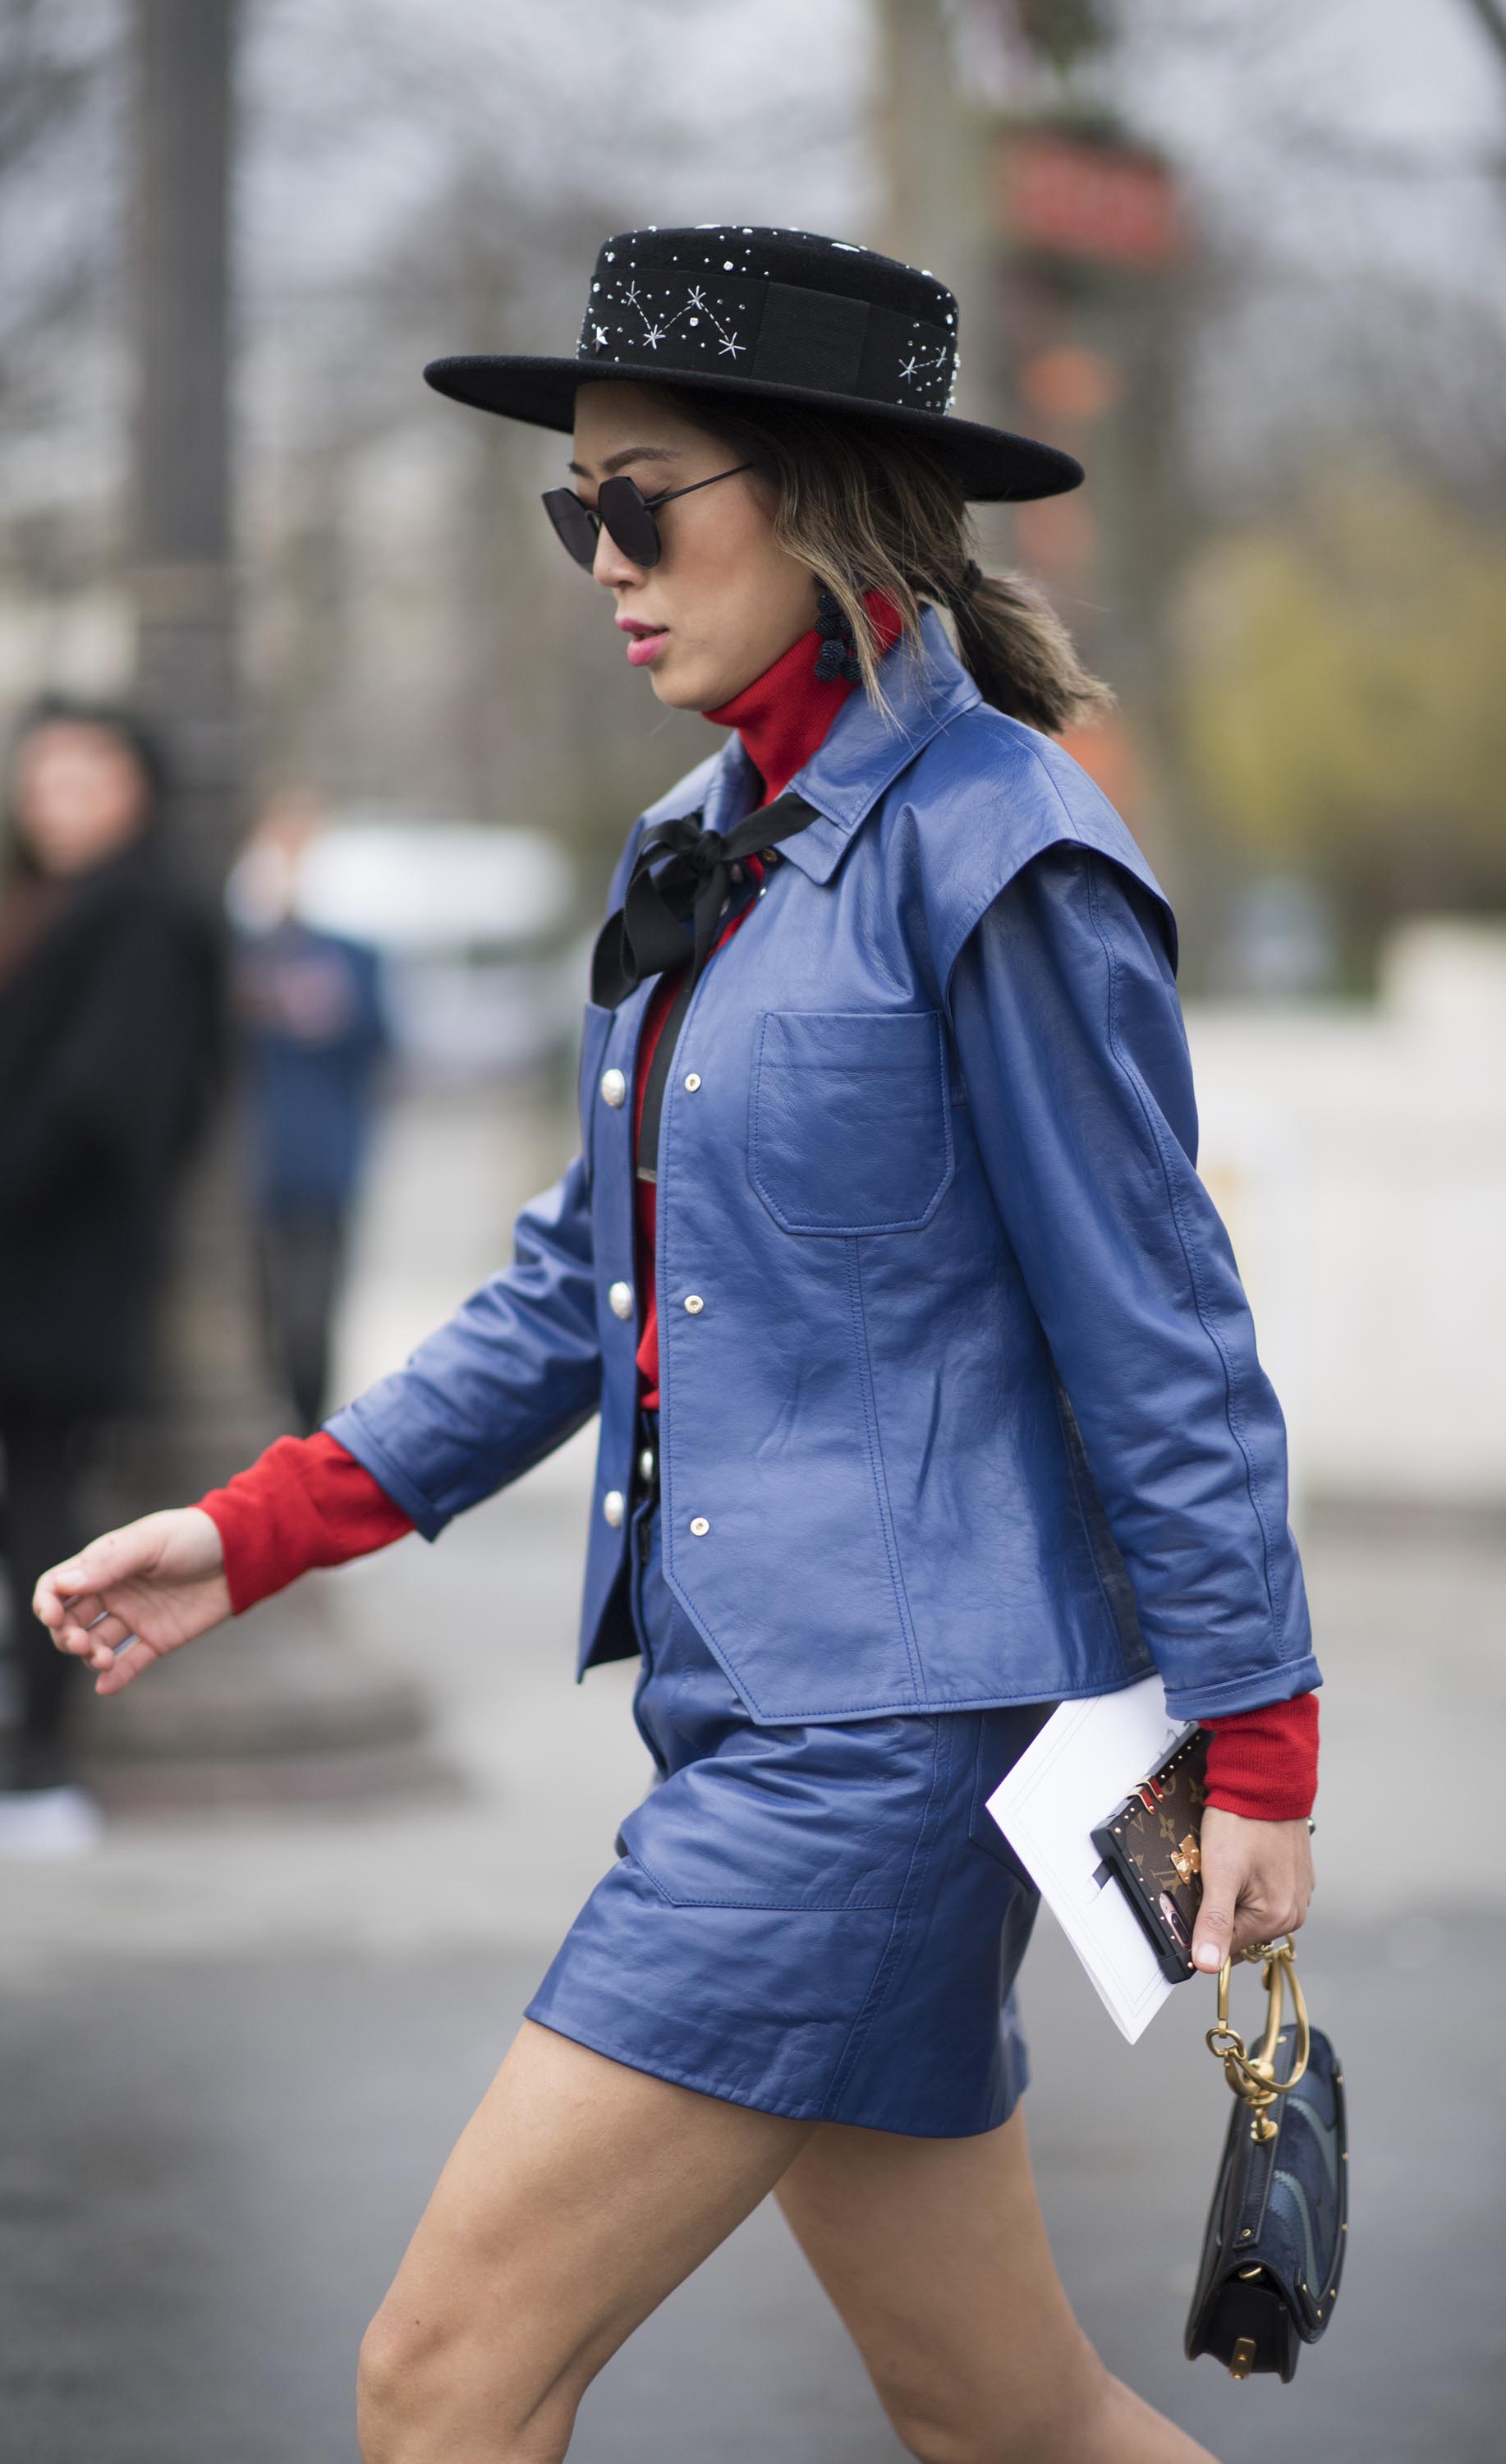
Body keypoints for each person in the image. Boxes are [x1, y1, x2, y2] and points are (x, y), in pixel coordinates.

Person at [36, 230, 1321, 2462]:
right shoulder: (690, 846)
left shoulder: (1001, 846)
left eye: (648, 498)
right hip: (761, 1714)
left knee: (443, 2382)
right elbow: (570, 1287)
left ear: (822, 499)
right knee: (1005, 2415)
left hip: (890, 1746)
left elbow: (1165, 1333)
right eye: (578, 510)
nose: (605, 559)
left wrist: (1265, 1743)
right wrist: (254, 1534)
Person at [0, 696, 219, 1859]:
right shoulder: (74, 904)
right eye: (41, 780)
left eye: (81, 777)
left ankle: (41, 1769)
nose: (54, 801)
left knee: (45, 1510)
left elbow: (95, 1104)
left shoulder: (136, 911)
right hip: (44, 1263)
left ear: (135, 788)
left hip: (56, 1270)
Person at [234, 789, 389, 1434]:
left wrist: (332, 1011)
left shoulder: (353, 955)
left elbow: (382, 1045)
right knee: (255, 1312)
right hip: (248, 1165)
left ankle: (301, 1432)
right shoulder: (238, 951)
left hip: (323, 1162)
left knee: (310, 1314)